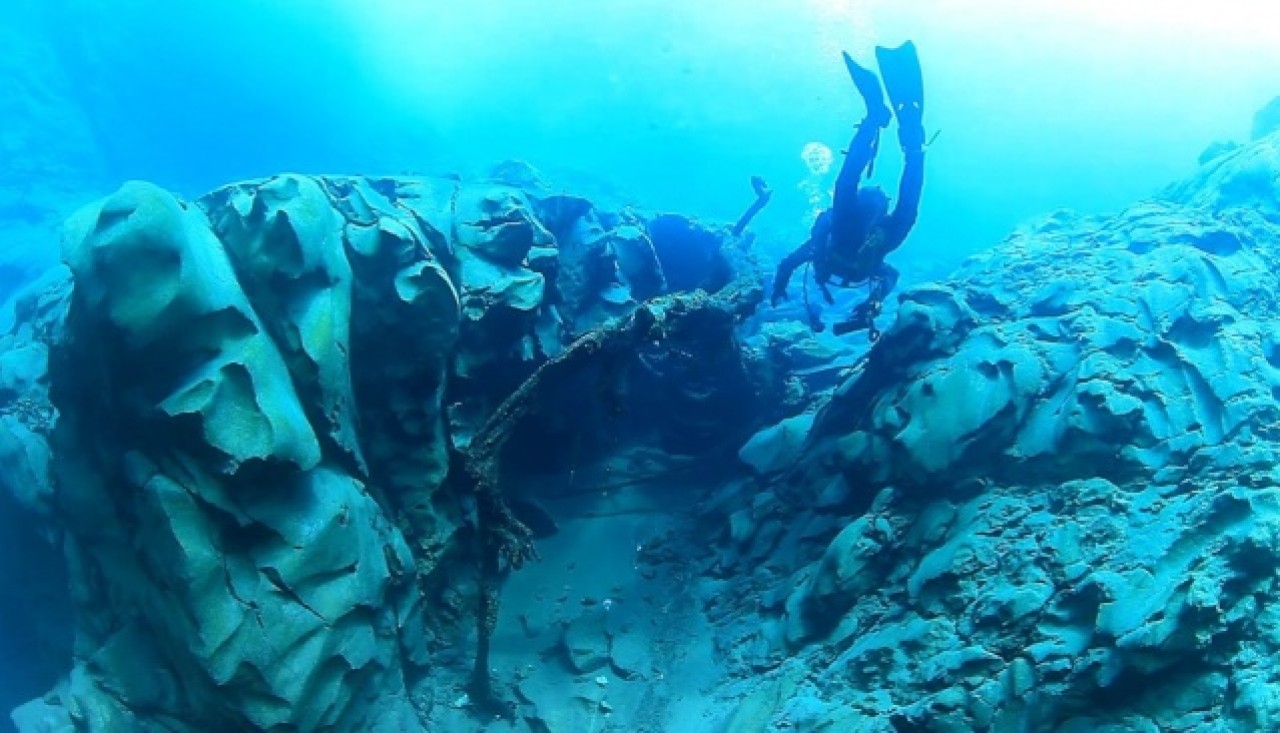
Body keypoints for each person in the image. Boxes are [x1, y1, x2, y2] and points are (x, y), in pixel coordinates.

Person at [771, 41, 926, 339]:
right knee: (889, 205)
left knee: (874, 200)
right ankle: (908, 142)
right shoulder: (856, 253)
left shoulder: (823, 247)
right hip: (869, 229)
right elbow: (890, 276)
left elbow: (788, 264)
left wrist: (780, 286)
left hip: (854, 225)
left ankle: (886, 129)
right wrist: (874, 300)